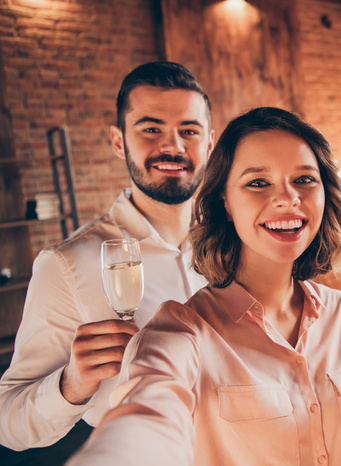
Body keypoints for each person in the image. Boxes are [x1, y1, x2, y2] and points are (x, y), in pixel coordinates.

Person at [66, 107, 341, 466]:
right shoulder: (183, 332)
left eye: (304, 179)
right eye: (258, 182)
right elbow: (144, 417)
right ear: (224, 202)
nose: (288, 198)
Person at [0, 62, 214, 454]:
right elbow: (8, 422)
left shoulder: (235, 244)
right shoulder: (65, 264)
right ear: (119, 142)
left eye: (189, 131)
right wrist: (71, 383)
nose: (173, 146)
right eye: (151, 129)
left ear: (209, 144)